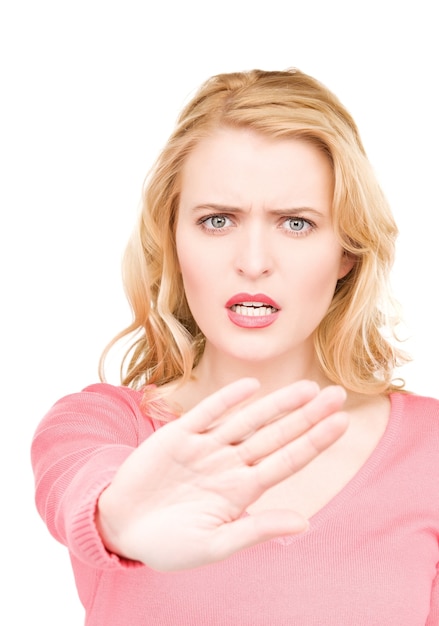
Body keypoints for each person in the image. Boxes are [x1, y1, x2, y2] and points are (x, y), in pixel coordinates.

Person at [31, 68, 439, 625]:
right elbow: (82, 488)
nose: (252, 260)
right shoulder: (99, 425)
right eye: (217, 220)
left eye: (295, 223)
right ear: (173, 240)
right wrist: (119, 522)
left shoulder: (430, 449)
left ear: (347, 249)